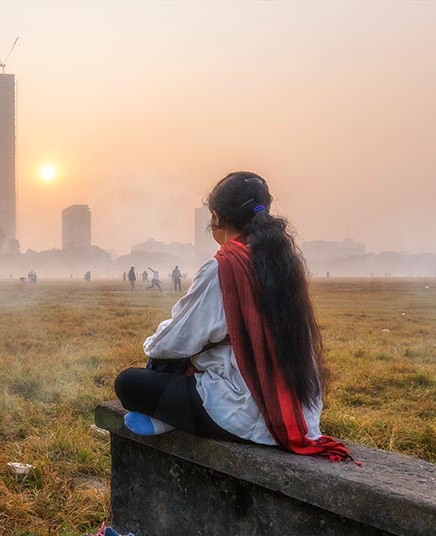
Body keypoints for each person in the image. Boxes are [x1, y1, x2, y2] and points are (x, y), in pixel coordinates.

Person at [113, 172, 353, 462]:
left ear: (216, 217)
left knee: (129, 383)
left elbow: (172, 344)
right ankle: (169, 418)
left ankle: (166, 419)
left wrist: (154, 339)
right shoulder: (283, 263)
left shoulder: (224, 266)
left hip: (245, 411)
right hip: (299, 411)